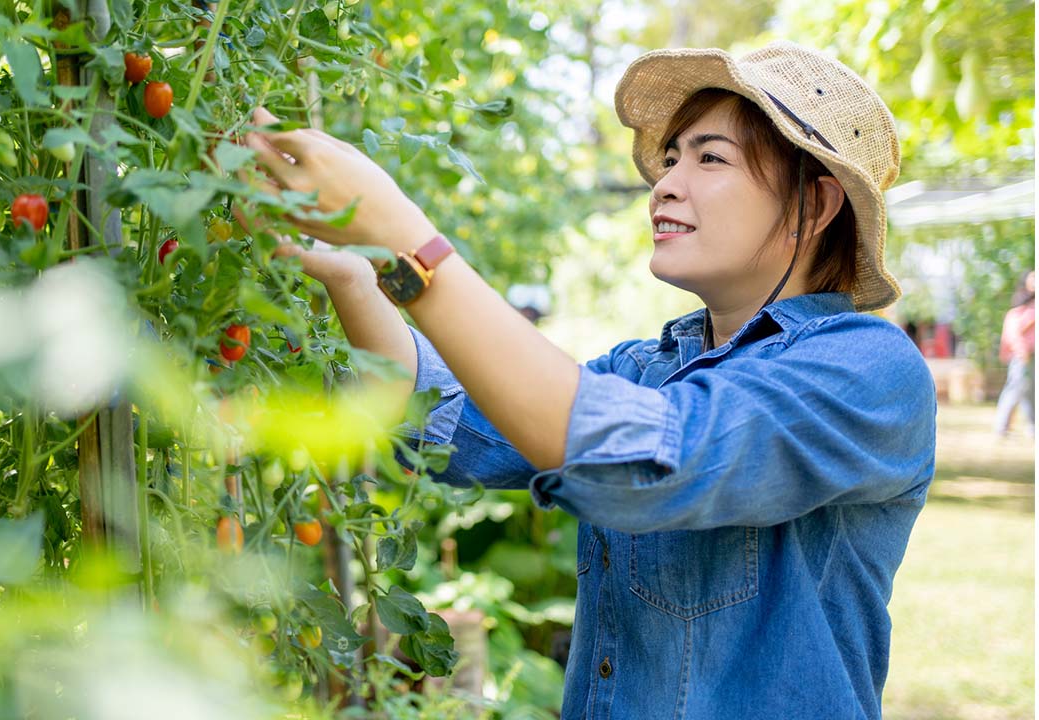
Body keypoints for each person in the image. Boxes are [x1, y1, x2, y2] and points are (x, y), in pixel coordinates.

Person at [242, 41, 935, 720]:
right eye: (671, 158)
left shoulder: (869, 370)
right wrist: (358, 276)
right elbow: (451, 426)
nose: (665, 183)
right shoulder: (647, 368)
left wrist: (414, 246)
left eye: (710, 158)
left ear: (816, 207)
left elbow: (644, 458)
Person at [994, 270, 1035, 438]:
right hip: (1022, 356)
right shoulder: (1019, 309)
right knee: (1015, 389)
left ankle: (1033, 426)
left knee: (1031, 392)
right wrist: (1022, 351)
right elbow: (1013, 333)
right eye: (1033, 278)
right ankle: (1002, 427)